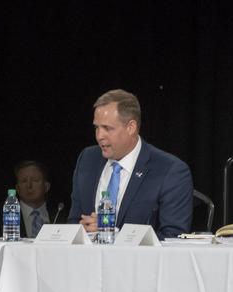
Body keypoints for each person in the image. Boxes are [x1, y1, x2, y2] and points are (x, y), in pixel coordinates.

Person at [67, 89, 193, 240]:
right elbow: (74, 222)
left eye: (107, 128)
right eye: (96, 128)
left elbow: (173, 237)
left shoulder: (170, 170)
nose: (99, 136)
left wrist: (113, 234)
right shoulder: (87, 159)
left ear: (131, 128)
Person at [11, 160, 54, 238]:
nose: (29, 186)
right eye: (24, 181)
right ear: (17, 188)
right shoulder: (6, 217)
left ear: (46, 186)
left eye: (35, 180)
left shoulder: (61, 215)